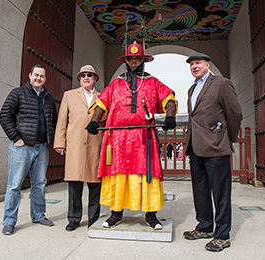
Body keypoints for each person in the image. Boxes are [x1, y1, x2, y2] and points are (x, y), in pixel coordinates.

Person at [85, 41, 177, 230]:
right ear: (126, 61)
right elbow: (101, 104)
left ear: (143, 60)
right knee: (117, 173)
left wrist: (170, 116)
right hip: (117, 138)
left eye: (137, 58)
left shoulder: (153, 82)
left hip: (143, 137)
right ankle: (115, 214)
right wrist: (94, 121)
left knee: (147, 173)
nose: (134, 61)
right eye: (131, 59)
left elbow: (169, 98)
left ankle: (151, 216)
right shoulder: (116, 84)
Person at [182, 53, 242, 252]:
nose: (194, 66)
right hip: (196, 148)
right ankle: (205, 226)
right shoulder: (192, 89)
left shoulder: (222, 84)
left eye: (198, 63)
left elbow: (235, 113)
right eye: (191, 64)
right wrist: (187, 144)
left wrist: (226, 136)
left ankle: (222, 235)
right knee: (200, 191)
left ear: (207, 64)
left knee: (220, 193)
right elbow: (194, 120)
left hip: (216, 147)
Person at [0, 65, 58, 235]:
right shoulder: (17, 93)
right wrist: (16, 138)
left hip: (41, 147)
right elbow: (4, 116)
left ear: (45, 79)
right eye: (36, 75)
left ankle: (38, 215)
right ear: (30, 75)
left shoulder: (49, 98)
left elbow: (53, 121)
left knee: (39, 184)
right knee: (14, 185)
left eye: (42, 76)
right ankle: (9, 221)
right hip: (22, 147)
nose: (38, 78)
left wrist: (49, 141)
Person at [53, 65, 104, 231]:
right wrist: (60, 142)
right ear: (79, 79)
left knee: (95, 184)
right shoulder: (69, 95)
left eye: (89, 75)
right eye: (83, 76)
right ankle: (74, 218)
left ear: (95, 78)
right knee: (74, 184)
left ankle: (93, 218)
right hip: (75, 144)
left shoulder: (102, 96)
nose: (86, 78)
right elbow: (62, 121)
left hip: (95, 144)